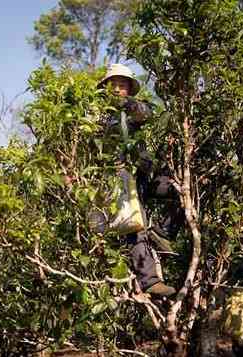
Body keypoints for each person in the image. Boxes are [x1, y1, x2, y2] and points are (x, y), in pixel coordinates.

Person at [96, 64, 184, 297]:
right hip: (121, 177)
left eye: (122, 85)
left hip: (145, 175)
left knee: (179, 191)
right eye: (112, 85)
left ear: (129, 90)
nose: (116, 90)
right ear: (104, 88)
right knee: (135, 226)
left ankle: (163, 232)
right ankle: (150, 281)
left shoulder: (135, 108)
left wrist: (129, 105)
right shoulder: (97, 115)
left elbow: (147, 113)